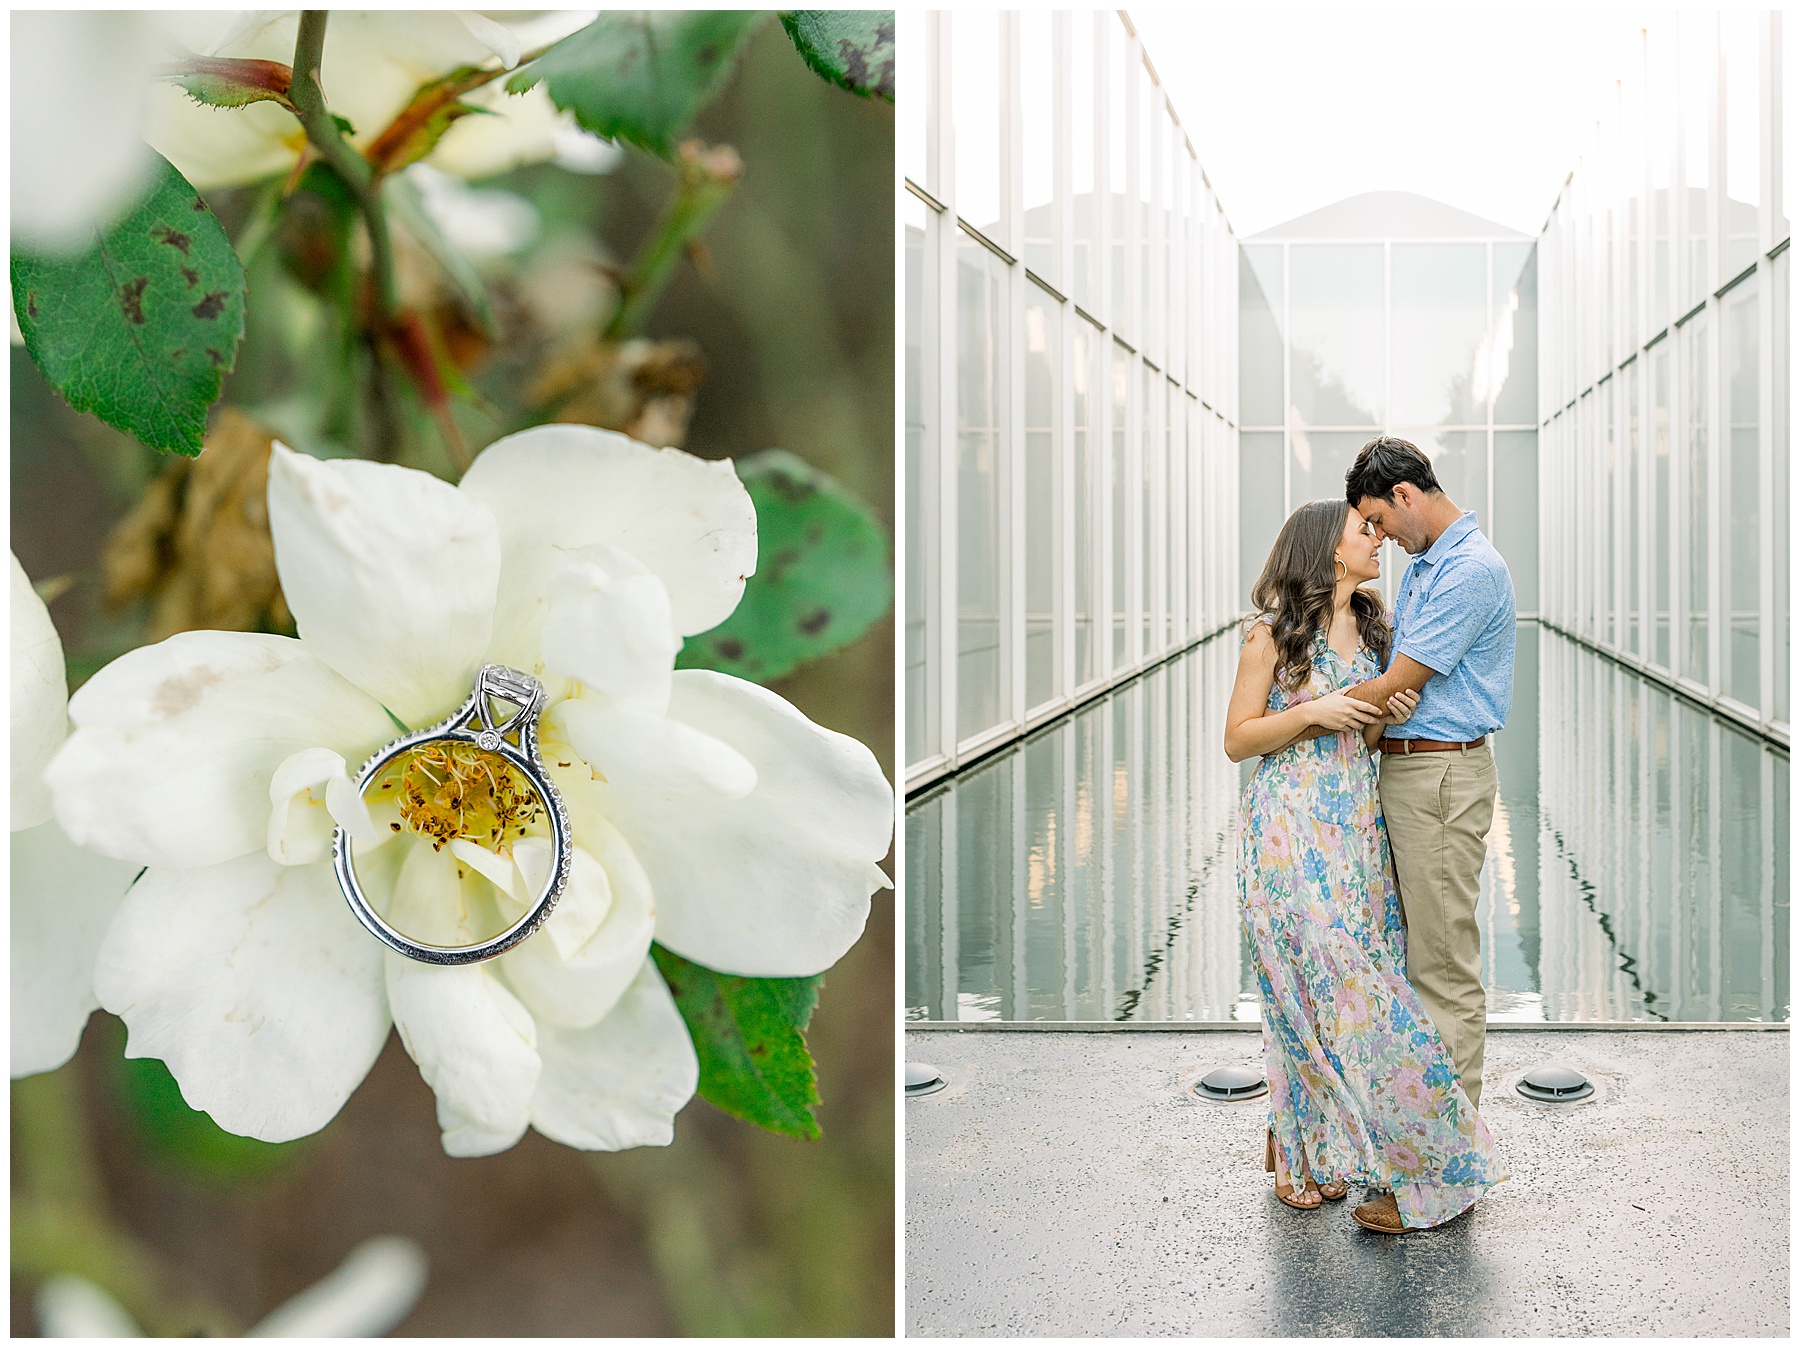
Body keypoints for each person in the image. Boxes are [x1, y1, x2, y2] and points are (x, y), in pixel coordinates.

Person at [1225, 495, 1505, 1232]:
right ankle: (1297, 1153)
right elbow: (1238, 739)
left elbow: (1365, 741)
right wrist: (1311, 712)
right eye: (1363, 531)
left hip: (1355, 827)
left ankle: (1368, 1147)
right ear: (1328, 549)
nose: (1377, 539)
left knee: (1360, 988)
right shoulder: (1272, 635)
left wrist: (1386, 717)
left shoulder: (1377, 630)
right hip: (1289, 829)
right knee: (1301, 991)